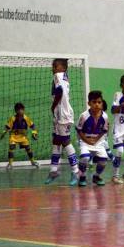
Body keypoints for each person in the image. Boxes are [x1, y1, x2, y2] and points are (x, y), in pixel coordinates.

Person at [45, 58, 80, 186]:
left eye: (55, 66)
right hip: (60, 114)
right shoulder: (64, 76)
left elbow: (59, 91)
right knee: (56, 140)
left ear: (62, 68)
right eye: (53, 66)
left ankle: (76, 171)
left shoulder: (57, 76)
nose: (53, 68)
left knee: (65, 141)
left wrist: (53, 105)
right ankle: (54, 170)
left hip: (63, 114)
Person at [76, 91, 110, 186]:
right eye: (94, 102)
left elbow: (104, 130)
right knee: (85, 157)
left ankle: (96, 176)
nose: (97, 105)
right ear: (89, 103)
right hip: (85, 141)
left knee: (104, 159)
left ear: (102, 103)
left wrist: (96, 140)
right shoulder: (83, 116)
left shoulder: (105, 116)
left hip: (97, 142)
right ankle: (82, 176)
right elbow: (79, 130)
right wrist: (87, 141)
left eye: (99, 102)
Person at [0, 102, 39, 169]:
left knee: (28, 148)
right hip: (13, 136)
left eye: (22, 109)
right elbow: (7, 127)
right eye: (19, 110)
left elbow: (33, 126)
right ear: (16, 111)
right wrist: (3, 133)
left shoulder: (26, 118)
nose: (21, 111)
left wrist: (34, 133)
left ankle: (33, 162)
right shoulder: (12, 119)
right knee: (11, 148)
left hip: (23, 137)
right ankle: (10, 164)